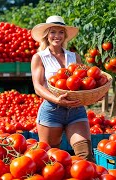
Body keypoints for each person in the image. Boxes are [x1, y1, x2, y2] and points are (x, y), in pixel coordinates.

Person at [31, 15, 94, 162]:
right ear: (47, 35)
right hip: (52, 111)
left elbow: (83, 83)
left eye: (60, 32)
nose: (56, 36)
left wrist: (95, 94)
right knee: (50, 159)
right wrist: (57, 100)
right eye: (53, 32)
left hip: (76, 111)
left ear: (65, 35)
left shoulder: (74, 57)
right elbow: (38, 86)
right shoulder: (40, 57)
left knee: (85, 155)